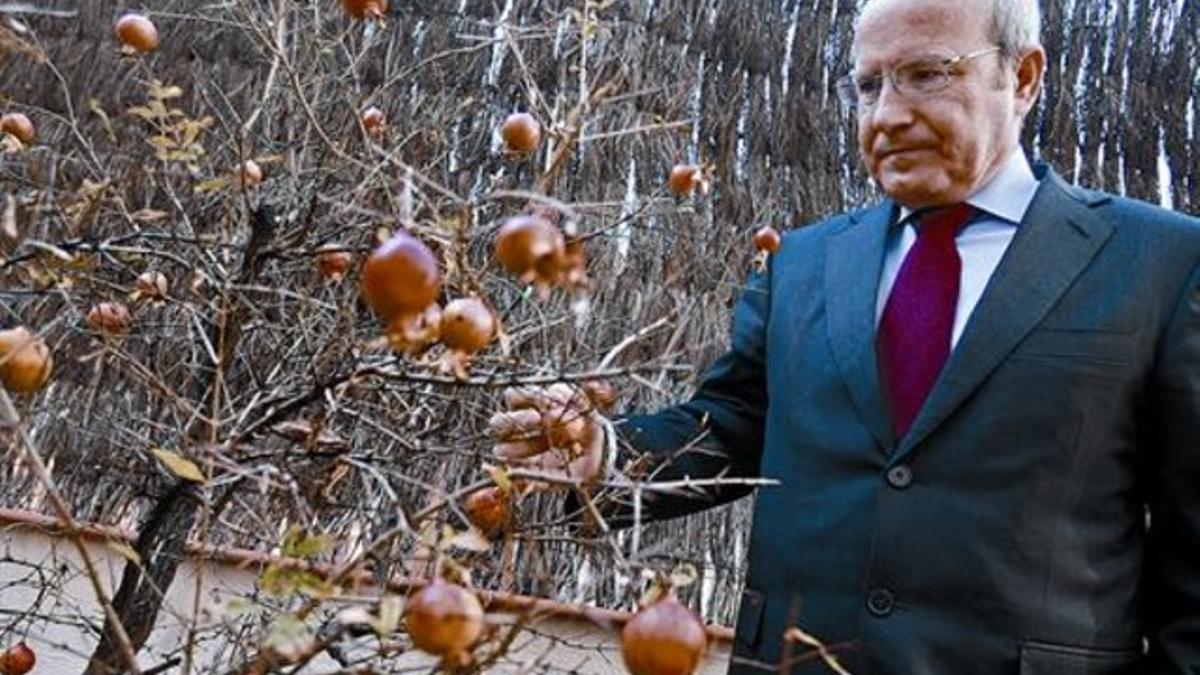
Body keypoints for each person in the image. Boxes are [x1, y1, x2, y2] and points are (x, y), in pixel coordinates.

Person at [490, 0, 1200, 672]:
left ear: (1022, 76)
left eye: (926, 74)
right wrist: (605, 456)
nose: (887, 115)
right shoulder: (803, 263)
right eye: (868, 85)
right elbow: (734, 425)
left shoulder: (1158, 265)